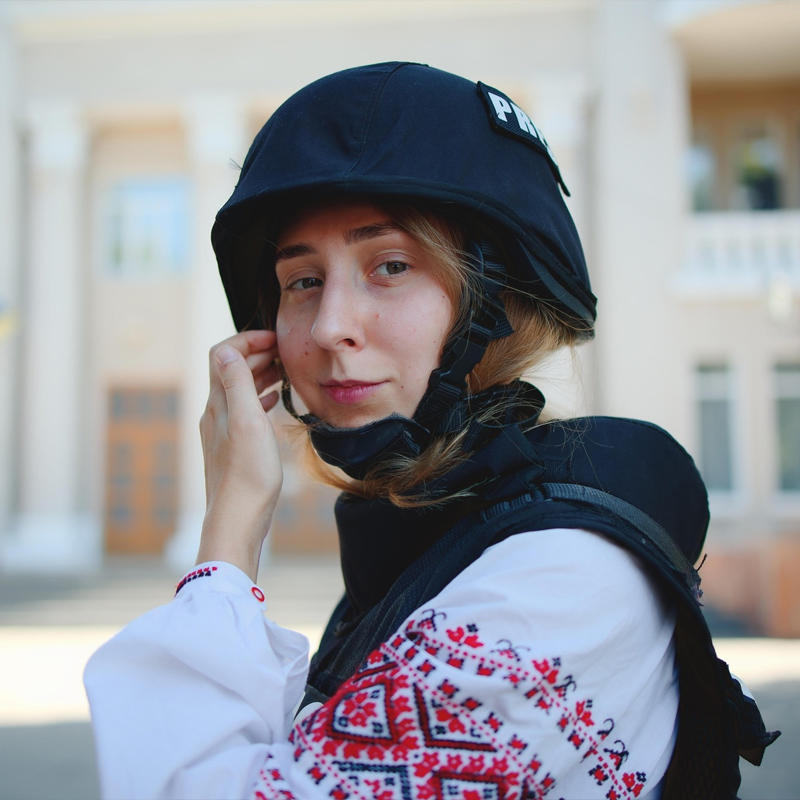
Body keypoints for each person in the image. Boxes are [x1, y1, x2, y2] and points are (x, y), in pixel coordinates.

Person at [84, 62, 777, 800]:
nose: (328, 327)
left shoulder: (559, 580)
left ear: (494, 302)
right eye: (303, 281)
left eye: (389, 265)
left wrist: (227, 539)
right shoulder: (434, 540)